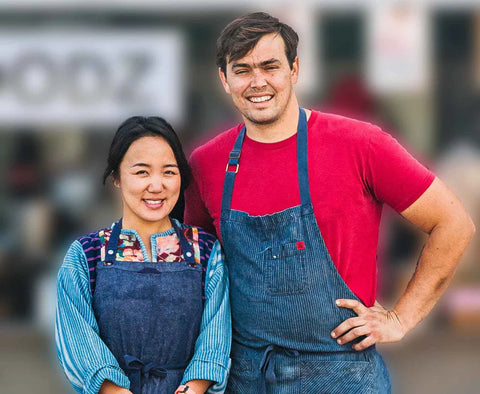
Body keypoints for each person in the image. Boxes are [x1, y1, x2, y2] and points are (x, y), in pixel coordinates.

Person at [184, 12, 475, 393]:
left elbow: (453, 224)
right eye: (242, 70)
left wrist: (400, 319)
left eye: (270, 66)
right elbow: (199, 271)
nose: (258, 82)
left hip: (342, 376)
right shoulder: (207, 164)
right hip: (246, 377)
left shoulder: (360, 145)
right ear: (224, 79)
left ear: (294, 69)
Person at [56, 116, 231, 394]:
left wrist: (195, 385)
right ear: (116, 177)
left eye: (169, 172)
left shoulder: (206, 251)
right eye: (141, 172)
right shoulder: (86, 255)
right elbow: (75, 337)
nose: (157, 185)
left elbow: (217, 331)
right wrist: (114, 389)